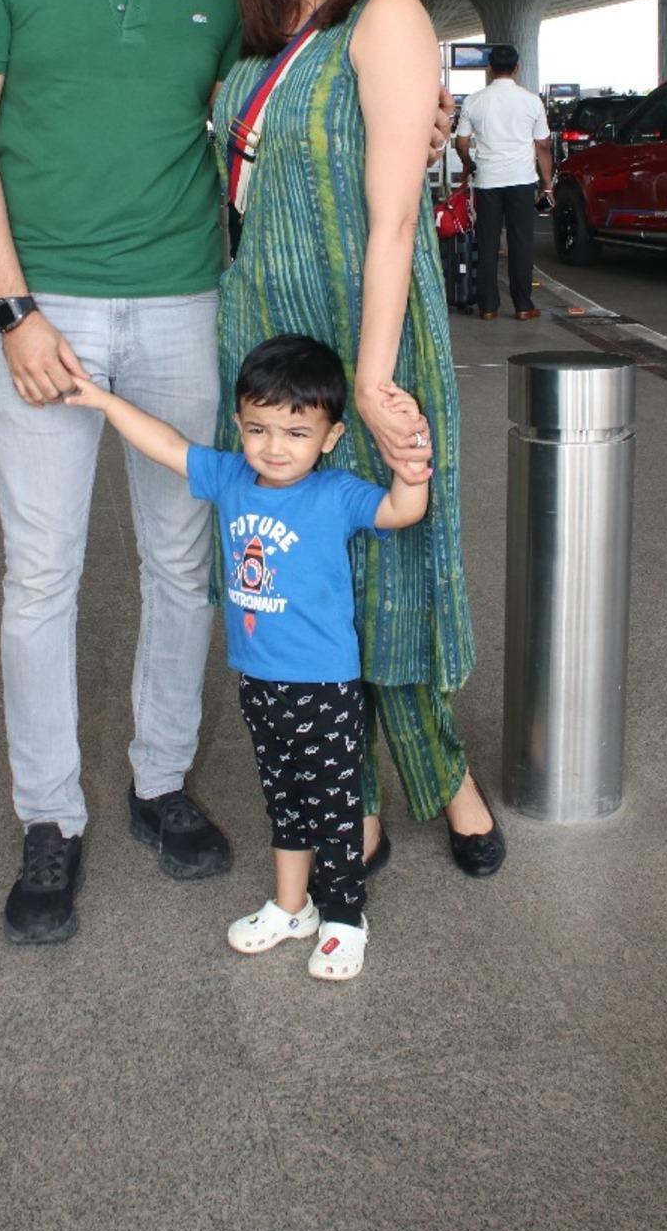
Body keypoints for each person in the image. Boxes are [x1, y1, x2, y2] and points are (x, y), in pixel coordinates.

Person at [0, 0, 243, 946]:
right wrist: (13, 308)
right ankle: (48, 818)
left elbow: (287, 89)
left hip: (184, 300)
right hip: (43, 309)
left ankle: (159, 783)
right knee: (41, 574)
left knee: (181, 563)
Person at [212, 0, 504, 878]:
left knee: (391, 571)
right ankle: (360, 800)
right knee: (300, 583)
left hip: (365, 332)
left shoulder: (385, 14)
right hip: (267, 346)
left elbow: (392, 215)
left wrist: (373, 379)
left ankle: (443, 783)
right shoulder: (257, 33)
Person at [67, 334, 430, 981]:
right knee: (285, 800)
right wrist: (99, 397)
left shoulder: (337, 493)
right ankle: (292, 906)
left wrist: (412, 455)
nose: (273, 445)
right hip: (259, 681)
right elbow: (165, 444)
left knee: (334, 805)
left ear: (330, 435)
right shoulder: (232, 476)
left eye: (296, 431)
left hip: (324, 687)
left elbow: (404, 510)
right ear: (238, 422)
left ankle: (345, 916)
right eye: (258, 427)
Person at [455, 44, 554, 322]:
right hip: (522, 180)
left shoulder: (474, 101)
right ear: (517, 67)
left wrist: (469, 164)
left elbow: (461, 143)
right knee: (520, 242)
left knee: (487, 243)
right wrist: (547, 185)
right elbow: (543, 146)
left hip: (487, 181)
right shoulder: (532, 101)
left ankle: (488, 307)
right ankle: (523, 306)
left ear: (489, 69)